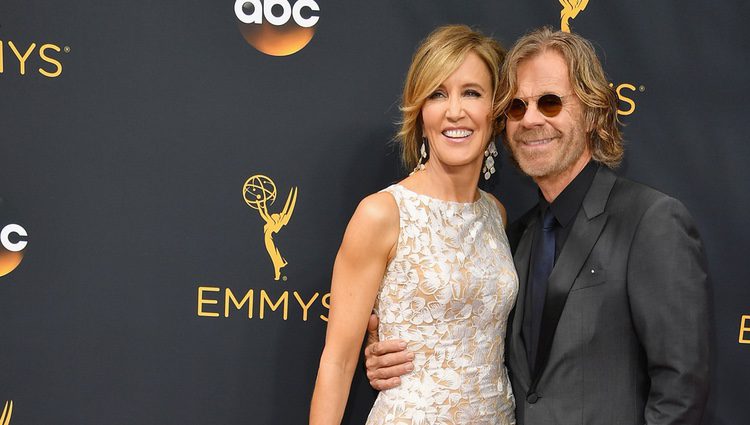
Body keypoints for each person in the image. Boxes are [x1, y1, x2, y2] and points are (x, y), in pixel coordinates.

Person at [364, 27, 710, 425]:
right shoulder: (512, 235)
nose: (530, 119)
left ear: (593, 112)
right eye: (515, 107)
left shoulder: (651, 220)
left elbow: (681, 390)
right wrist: (392, 353)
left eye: (549, 103)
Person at [309, 25, 517, 424]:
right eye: (437, 94)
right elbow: (336, 362)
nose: (454, 110)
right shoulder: (382, 214)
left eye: (471, 92)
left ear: (495, 111)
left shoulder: (496, 214)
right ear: (421, 114)